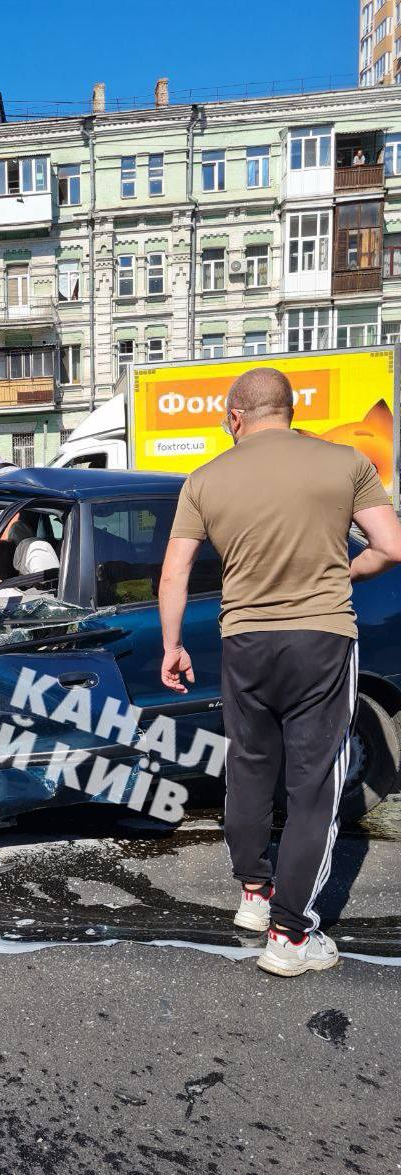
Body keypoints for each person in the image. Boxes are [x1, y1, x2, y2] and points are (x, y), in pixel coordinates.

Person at [158, 367, 401, 978]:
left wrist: (171, 645)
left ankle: (255, 895)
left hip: (243, 641)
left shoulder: (205, 478)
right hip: (321, 640)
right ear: (289, 410)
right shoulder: (345, 463)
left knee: (249, 767)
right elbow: (392, 546)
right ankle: (291, 936)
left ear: (235, 416)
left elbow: (174, 572)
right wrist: (347, 571)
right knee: (314, 783)